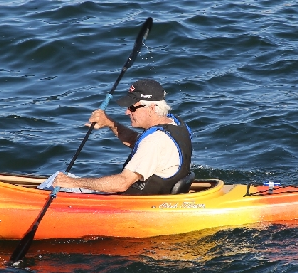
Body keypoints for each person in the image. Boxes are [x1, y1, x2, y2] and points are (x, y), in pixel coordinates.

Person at [50, 79, 193, 195]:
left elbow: (122, 183)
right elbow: (138, 142)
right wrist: (110, 123)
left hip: (135, 204)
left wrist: (73, 182)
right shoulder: (174, 122)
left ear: (151, 108)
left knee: (52, 183)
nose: (127, 112)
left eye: (132, 107)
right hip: (164, 191)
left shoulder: (154, 141)